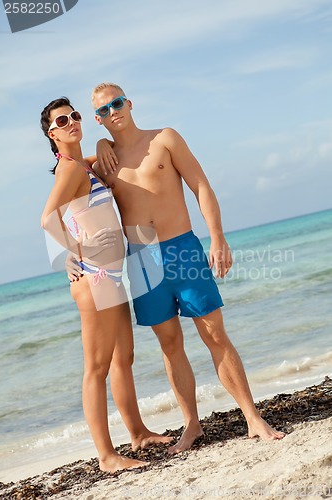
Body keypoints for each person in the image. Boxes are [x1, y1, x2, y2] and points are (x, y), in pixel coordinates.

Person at [67, 83, 285, 454]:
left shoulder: (164, 139)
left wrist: (217, 238)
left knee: (215, 335)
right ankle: (192, 425)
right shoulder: (102, 162)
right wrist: (68, 251)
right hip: (141, 258)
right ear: (97, 120)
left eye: (116, 104)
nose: (112, 112)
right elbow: (68, 187)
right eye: (102, 111)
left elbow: (200, 185)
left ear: (129, 103)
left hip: (182, 247)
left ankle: (252, 417)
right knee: (170, 345)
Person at [40, 97, 171, 473]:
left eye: (75, 116)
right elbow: (47, 218)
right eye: (62, 121)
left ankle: (138, 432)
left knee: (122, 360)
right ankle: (106, 456)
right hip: (95, 276)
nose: (72, 123)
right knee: (96, 368)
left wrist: (98, 144)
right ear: (52, 133)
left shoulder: (83, 164)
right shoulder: (68, 169)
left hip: (110, 275)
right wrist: (75, 250)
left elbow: (108, 150)